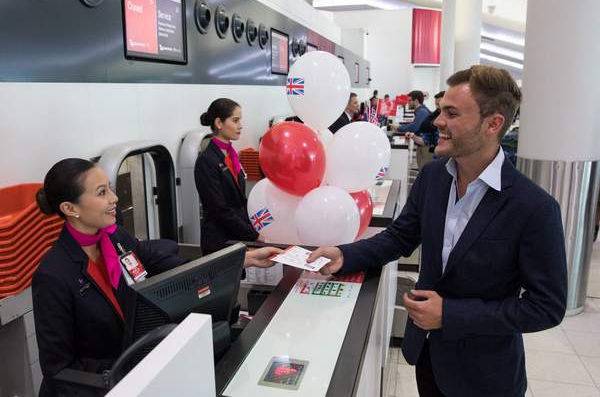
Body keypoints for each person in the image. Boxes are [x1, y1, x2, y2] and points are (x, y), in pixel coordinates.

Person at [308, 65, 568, 397]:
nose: (437, 121)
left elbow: (546, 307)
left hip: (485, 377)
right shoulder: (433, 177)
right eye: (441, 110)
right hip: (428, 357)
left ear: (493, 124)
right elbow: (400, 236)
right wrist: (345, 254)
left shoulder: (534, 207)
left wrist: (451, 314)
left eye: (452, 113)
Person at [33, 158, 281, 396]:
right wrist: (127, 371)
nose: (114, 198)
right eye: (101, 192)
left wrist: (243, 259)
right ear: (70, 208)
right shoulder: (53, 275)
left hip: (144, 369)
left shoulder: (117, 239)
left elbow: (174, 268)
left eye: (109, 188)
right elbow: (59, 370)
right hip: (106, 386)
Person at [195, 98, 262, 254]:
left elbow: (239, 200)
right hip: (220, 242)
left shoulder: (231, 156)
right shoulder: (206, 161)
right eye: (235, 120)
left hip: (238, 236)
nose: (240, 126)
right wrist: (254, 235)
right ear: (219, 123)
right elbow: (219, 209)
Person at [406, 90, 445, 169]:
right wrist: (413, 136)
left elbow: (415, 127)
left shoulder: (423, 112)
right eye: (436, 105)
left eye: (440, 105)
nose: (438, 108)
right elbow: (426, 140)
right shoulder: (433, 119)